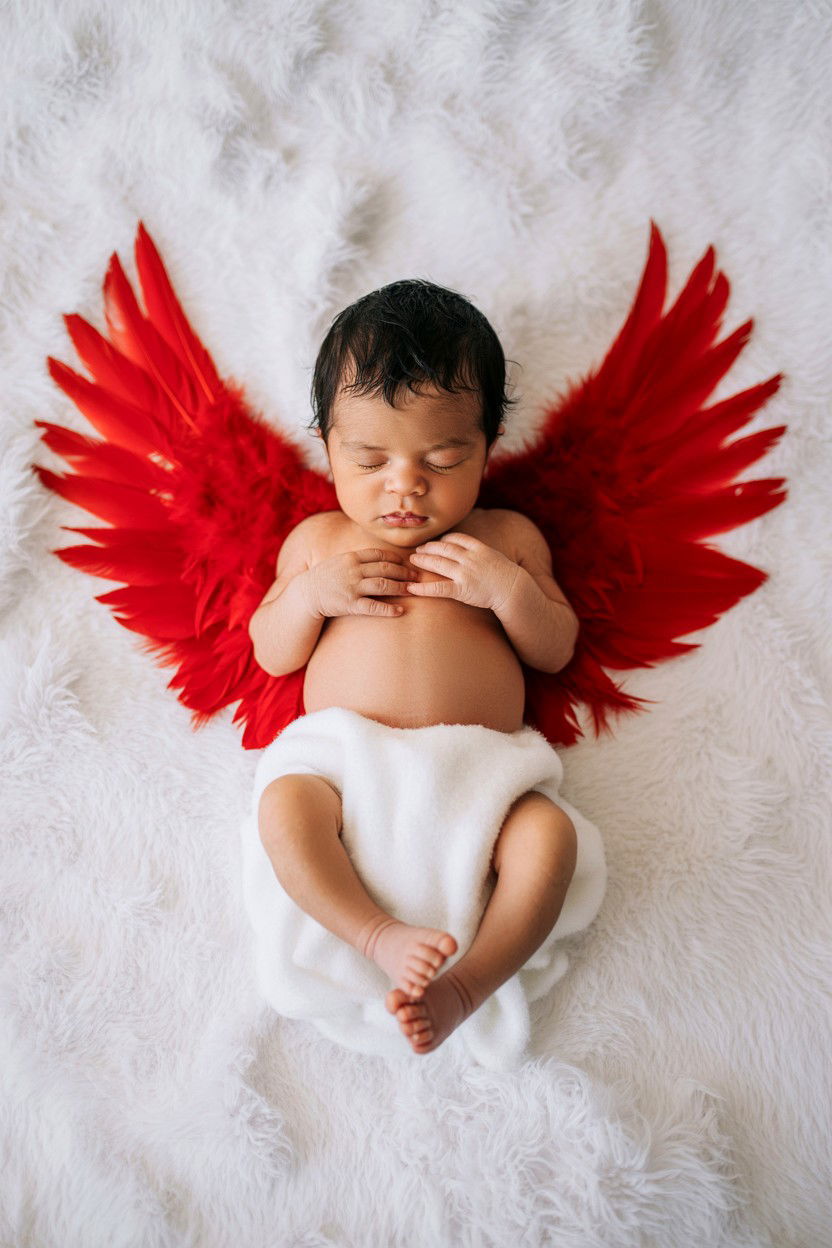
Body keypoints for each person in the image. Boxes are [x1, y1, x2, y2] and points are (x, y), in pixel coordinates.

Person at [248, 278, 594, 1056]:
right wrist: (311, 595)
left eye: (443, 457)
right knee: (283, 809)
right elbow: (272, 651)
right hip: (347, 773)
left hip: (480, 780)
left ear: (488, 446)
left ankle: (468, 983)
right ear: (328, 445)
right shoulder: (316, 542)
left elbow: (555, 647)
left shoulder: (506, 538)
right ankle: (373, 933)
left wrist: (507, 591)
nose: (404, 485)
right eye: (369, 459)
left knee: (549, 839)